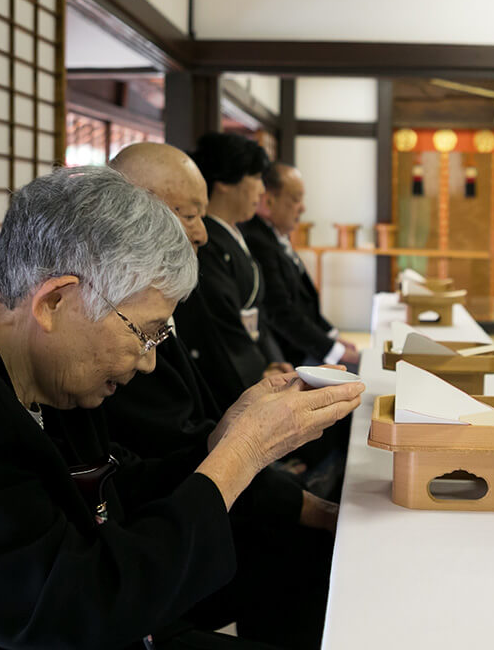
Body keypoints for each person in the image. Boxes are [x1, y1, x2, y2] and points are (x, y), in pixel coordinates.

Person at [0, 166, 363, 649]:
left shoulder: (43, 369)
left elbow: (115, 486)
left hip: (83, 614)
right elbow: (70, 613)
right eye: (146, 333)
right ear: (56, 301)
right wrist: (241, 453)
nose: (152, 360)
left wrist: (225, 445)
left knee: (312, 568)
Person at [107, 142, 339, 649]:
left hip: (176, 501)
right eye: (189, 215)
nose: (201, 233)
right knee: (304, 548)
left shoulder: (160, 294)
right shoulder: (112, 315)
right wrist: (248, 448)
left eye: (201, 215)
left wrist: (242, 418)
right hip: (150, 544)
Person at [187, 132, 290, 408]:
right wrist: (258, 373)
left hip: (254, 354)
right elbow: (221, 321)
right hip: (226, 378)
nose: (260, 190)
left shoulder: (235, 234)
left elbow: (257, 312)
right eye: (255, 178)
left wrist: (271, 359)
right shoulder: (205, 242)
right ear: (224, 182)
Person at [241, 162, 361, 372]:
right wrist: (333, 351)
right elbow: (281, 312)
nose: (303, 208)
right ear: (268, 200)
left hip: (303, 348)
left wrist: (333, 337)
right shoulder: (257, 240)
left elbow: (304, 302)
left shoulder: (273, 235)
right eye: (296, 199)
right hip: (290, 356)